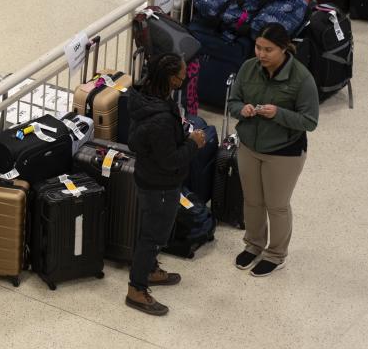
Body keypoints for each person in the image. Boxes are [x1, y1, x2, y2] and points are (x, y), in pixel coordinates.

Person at [227, 22, 319, 277]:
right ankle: (253, 245)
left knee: (276, 205)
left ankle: (276, 254)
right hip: (249, 146)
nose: (261, 54)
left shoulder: (301, 79)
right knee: (253, 201)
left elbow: (310, 121)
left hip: (284, 152)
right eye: (258, 47)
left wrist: (279, 114)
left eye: (268, 49)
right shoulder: (248, 68)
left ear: (284, 49)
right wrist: (241, 109)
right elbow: (233, 100)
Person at [126, 54, 207, 316]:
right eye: (183, 74)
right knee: (153, 236)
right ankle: (136, 289)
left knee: (154, 230)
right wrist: (193, 143)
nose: (186, 77)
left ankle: (149, 270)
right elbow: (170, 159)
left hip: (150, 177)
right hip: (160, 184)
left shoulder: (147, 97)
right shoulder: (160, 118)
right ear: (172, 79)